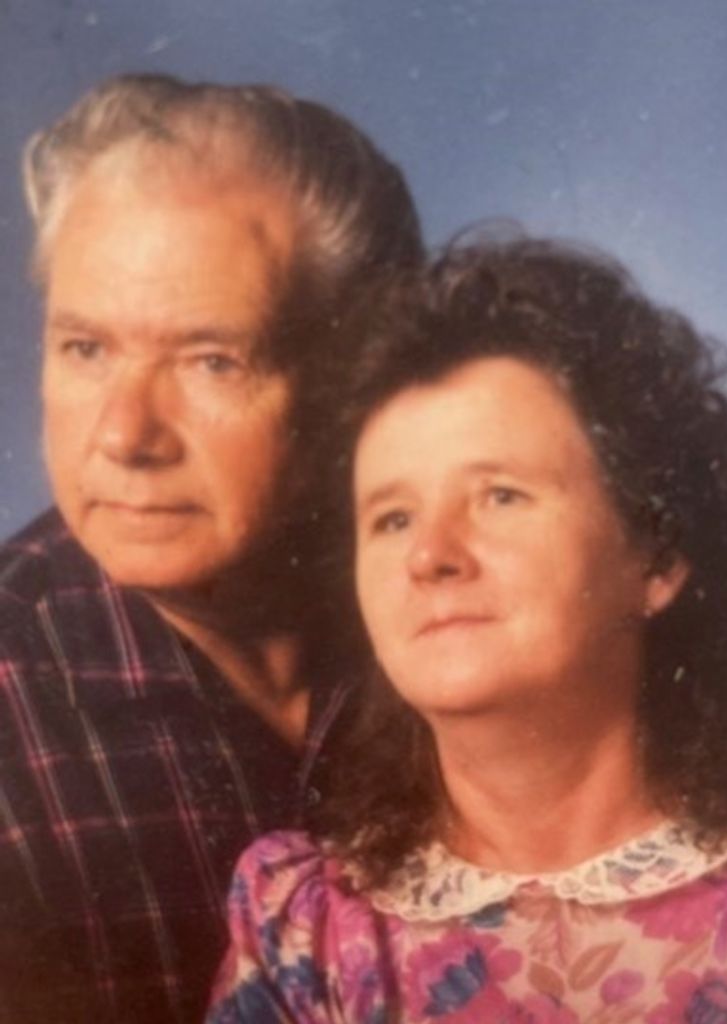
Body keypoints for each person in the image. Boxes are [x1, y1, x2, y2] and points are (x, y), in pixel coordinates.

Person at [209, 239, 727, 1023]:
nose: (430, 556)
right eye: (392, 519)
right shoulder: (302, 928)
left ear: (657, 557)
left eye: (499, 496)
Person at [0, 73, 421, 1024]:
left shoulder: (469, 622)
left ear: (358, 378)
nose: (125, 435)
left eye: (210, 360)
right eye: (85, 349)